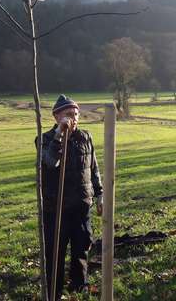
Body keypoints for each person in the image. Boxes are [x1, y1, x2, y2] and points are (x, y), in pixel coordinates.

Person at [38, 94, 103, 299]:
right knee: (54, 253)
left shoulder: (85, 137)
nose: (73, 119)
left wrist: (99, 194)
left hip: (82, 206)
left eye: (76, 114)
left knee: (81, 250)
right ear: (57, 117)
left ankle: (79, 288)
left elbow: (93, 168)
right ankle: (54, 293)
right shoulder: (44, 139)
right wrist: (59, 135)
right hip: (56, 208)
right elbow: (51, 162)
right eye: (68, 114)